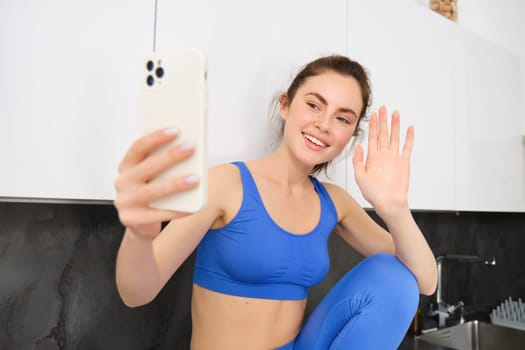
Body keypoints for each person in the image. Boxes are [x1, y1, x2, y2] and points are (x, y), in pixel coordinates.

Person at [114, 55, 438, 350]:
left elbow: (423, 281)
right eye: (314, 105)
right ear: (285, 105)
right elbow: (135, 293)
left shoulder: (335, 203)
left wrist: (395, 209)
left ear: (351, 135)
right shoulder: (225, 185)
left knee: (394, 277)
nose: (324, 124)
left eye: (342, 118)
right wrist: (139, 235)